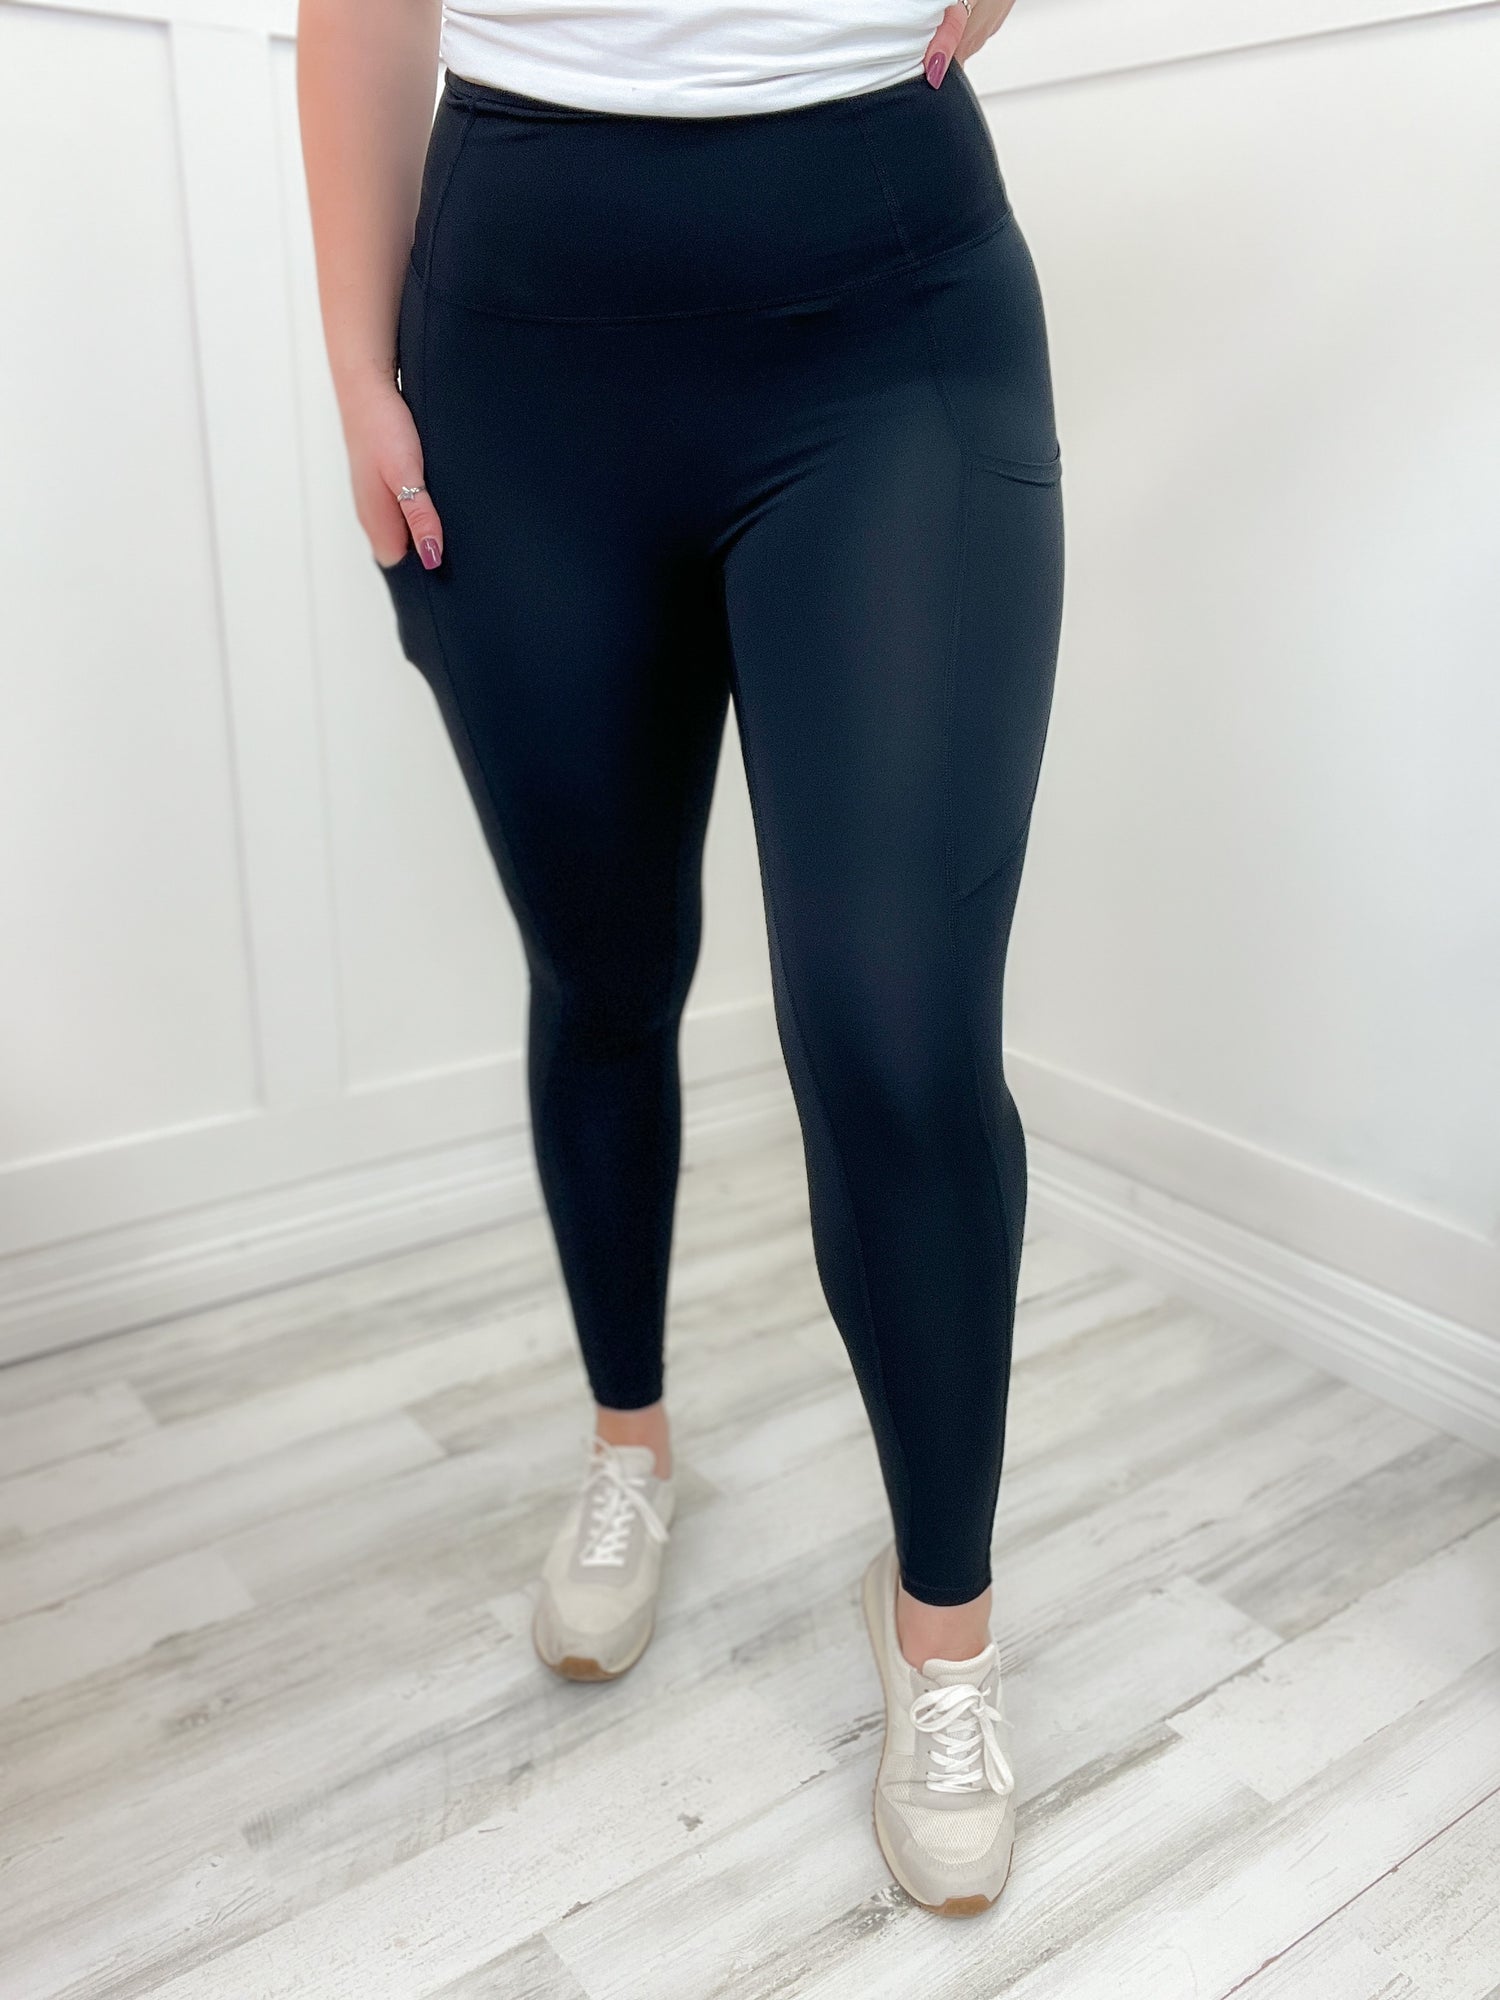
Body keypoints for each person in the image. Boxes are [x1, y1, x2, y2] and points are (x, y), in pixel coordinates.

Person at [297, 0, 1063, 1916]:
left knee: (896, 1029)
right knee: (604, 970)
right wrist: (356, 364)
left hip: (889, 304)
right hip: (521, 338)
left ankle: (945, 1632)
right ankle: (630, 1446)